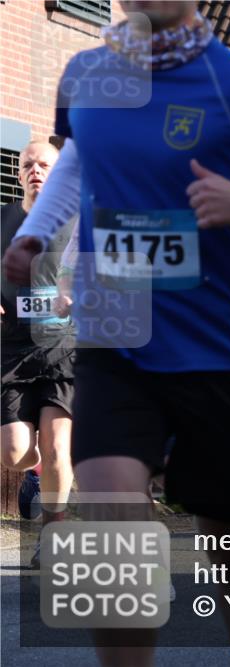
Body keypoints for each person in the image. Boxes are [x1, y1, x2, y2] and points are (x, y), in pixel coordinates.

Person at [3, 3, 230, 665]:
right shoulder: (86, 74)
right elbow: (78, 163)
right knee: (108, 519)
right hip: (116, 341)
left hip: (220, 352)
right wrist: (31, 233)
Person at [1, 141, 75, 560]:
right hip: (12, 347)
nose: (35, 170)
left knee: (57, 443)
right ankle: (35, 470)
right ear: (18, 174)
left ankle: (53, 537)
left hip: (64, 346)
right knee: (13, 452)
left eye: (44, 164)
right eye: (27, 164)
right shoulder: (3, 220)